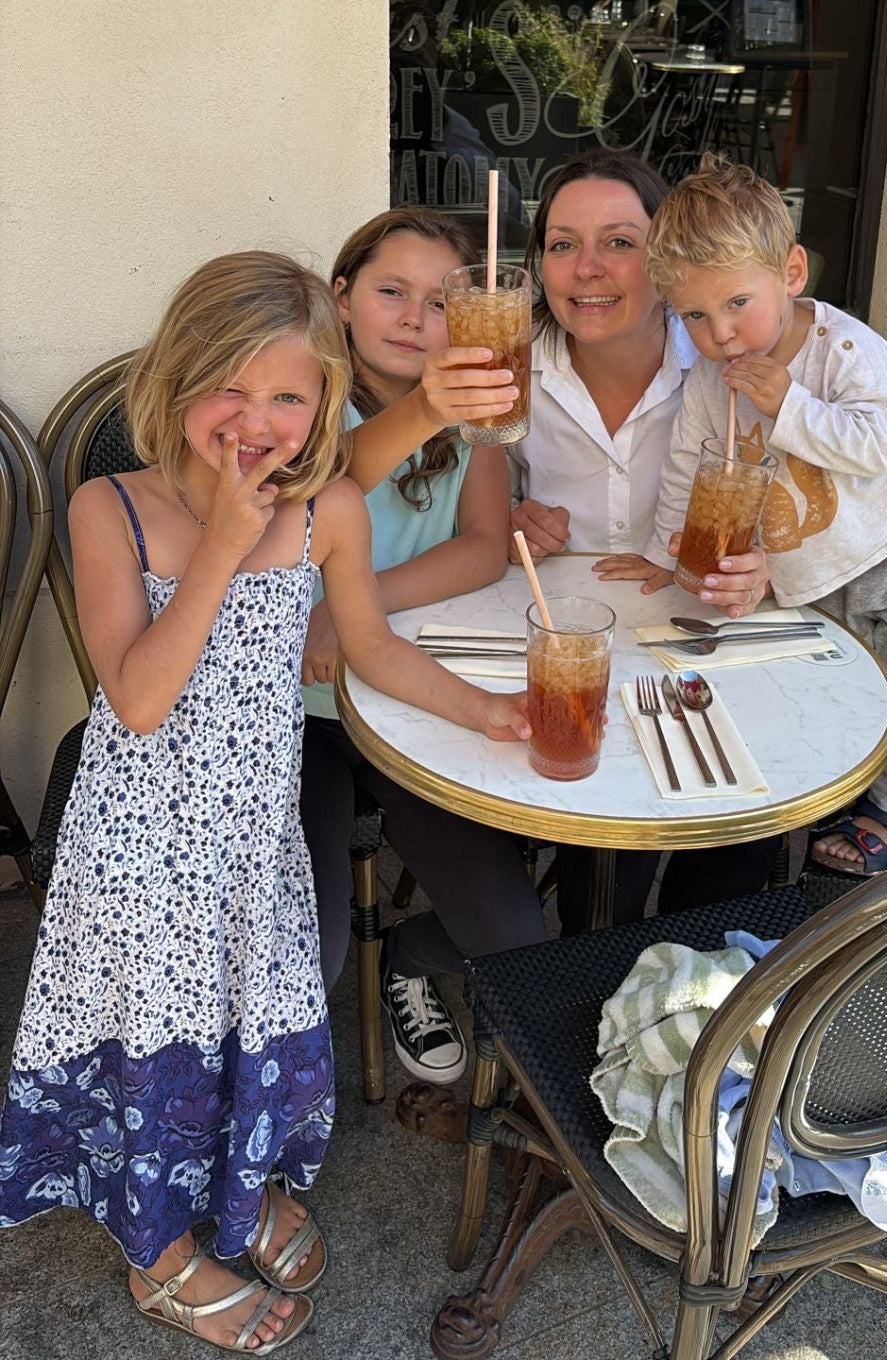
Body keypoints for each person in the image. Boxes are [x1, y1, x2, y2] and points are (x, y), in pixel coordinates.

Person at [0, 251, 531, 1354]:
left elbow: (369, 646)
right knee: (155, 1045)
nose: (257, 419)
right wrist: (227, 550)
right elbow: (137, 700)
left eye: (288, 396)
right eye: (227, 389)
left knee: (257, 1025)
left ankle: (241, 1193)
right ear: (174, 383)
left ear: (323, 408)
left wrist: (483, 711)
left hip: (253, 835)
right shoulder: (113, 511)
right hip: (140, 850)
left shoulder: (327, 508)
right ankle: (158, 1251)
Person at [637, 157, 887, 874]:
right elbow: (691, 466)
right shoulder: (710, 379)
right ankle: (832, 788)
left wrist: (787, 406)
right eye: (694, 316)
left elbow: (875, 449)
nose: (721, 333)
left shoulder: (850, 352)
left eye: (737, 302)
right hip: (827, 554)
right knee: (835, 676)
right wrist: (667, 549)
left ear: (791, 274)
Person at [299, 208, 545, 1087]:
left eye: (439, 303)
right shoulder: (298, 391)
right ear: (344, 298)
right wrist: (335, 612)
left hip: (416, 692)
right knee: (312, 953)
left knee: (518, 934)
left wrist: (354, 607)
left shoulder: (474, 411)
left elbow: (484, 544)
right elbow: (324, 483)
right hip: (306, 717)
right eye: (389, 292)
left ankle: (409, 956)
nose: (413, 318)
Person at [509, 149, 779, 925]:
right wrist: (508, 527)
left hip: (704, 641)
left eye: (619, 242)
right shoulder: (508, 369)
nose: (587, 269)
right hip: (567, 643)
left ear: (664, 260)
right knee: (606, 872)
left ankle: (699, 998)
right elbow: (470, 504)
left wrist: (764, 565)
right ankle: (598, 975)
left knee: (737, 838)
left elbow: (796, 500)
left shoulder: (730, 362)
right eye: (563, 244)